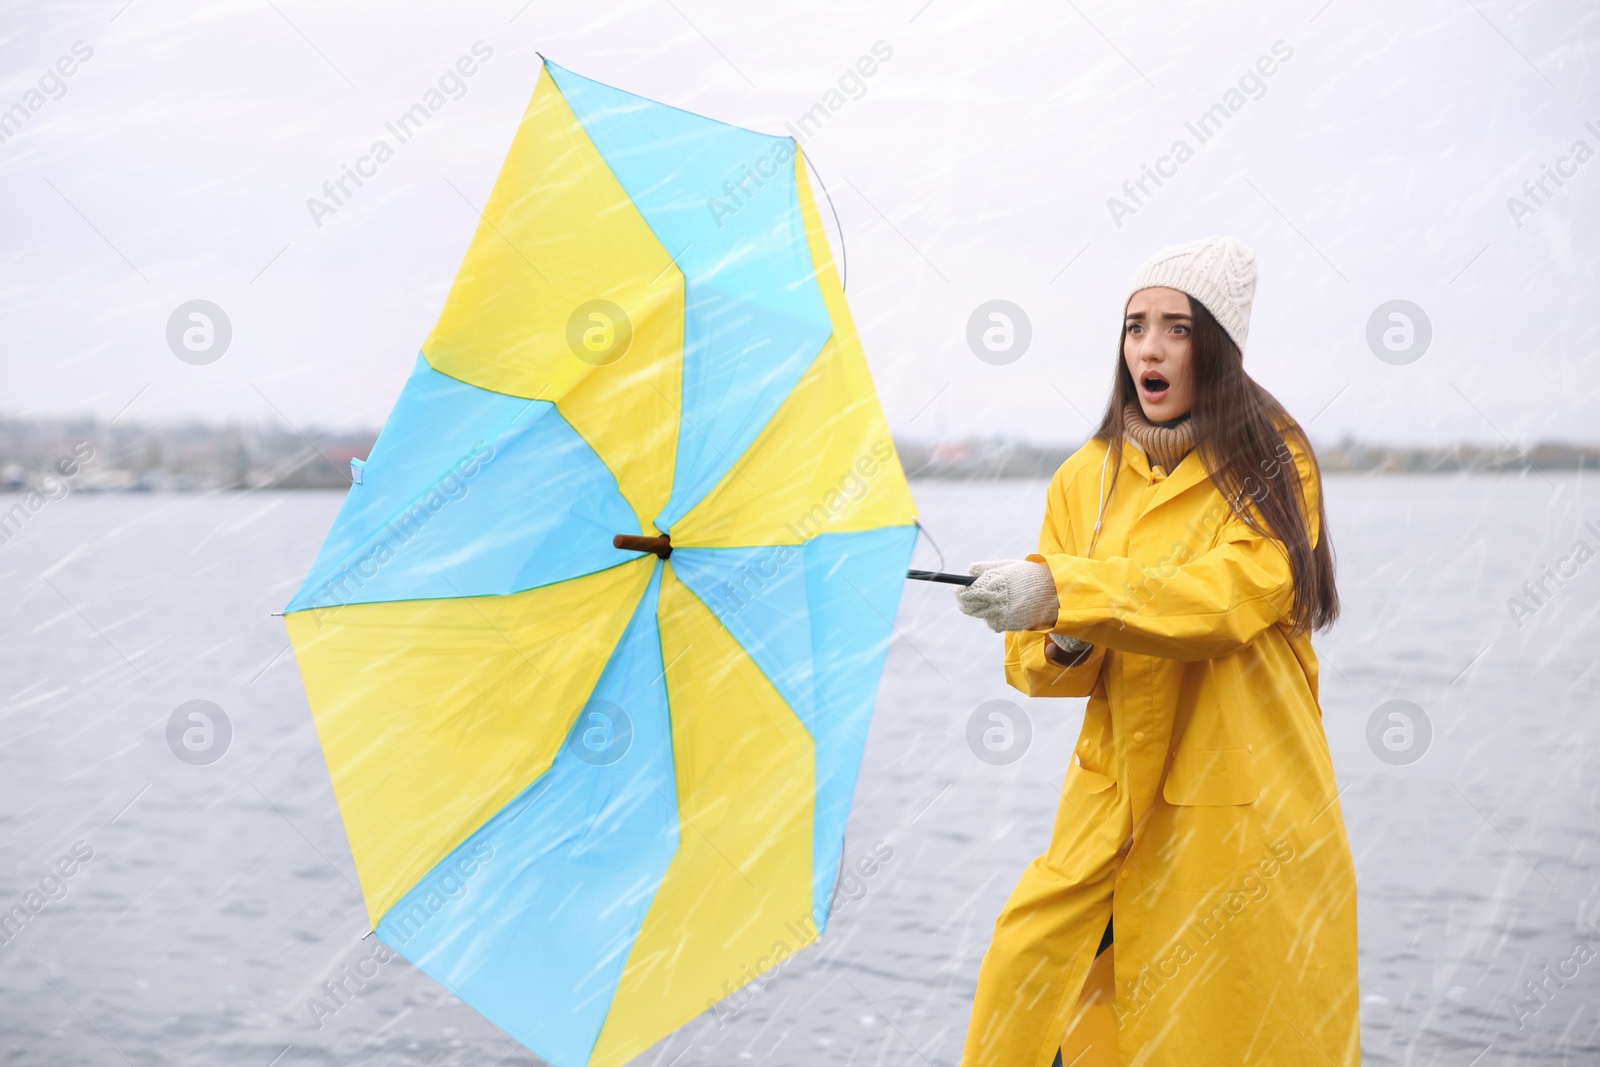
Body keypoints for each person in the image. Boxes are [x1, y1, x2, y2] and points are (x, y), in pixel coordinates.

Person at [953, 237, 1359, 1066]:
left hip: (1236, 817)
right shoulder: (1083, 478)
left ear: (1216, 344)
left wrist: (1069, 590)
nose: (1150, 346)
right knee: (1024, 995)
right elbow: (1040, 668)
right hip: (1107, 812)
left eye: (1176, 327)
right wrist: (1059, 627)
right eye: (1137, 325)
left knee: (1219, 1031)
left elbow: (1226, 600)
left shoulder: (1273, 462)